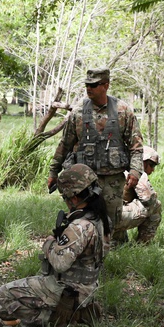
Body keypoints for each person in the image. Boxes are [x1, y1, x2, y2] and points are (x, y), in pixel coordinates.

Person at [0, 164, 107, 327]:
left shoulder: (79, 227)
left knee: (3, 293)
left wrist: (49, 244)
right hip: (87, 287)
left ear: (74, 198)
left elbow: (60, 263)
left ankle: (54, 320)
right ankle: (67, 313)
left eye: (65, 197)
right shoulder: (100, 219)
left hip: (68, 290)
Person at [47, 68, 143, 244]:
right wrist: (53, 172)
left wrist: (135, 171)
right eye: (87, 85)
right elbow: (64, 145)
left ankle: (116, 253)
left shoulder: (123, 111)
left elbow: (136, 146)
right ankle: (87, 254)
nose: (88, 88)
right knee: (83, 220)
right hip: (84, 181)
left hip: (113, 180)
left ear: (106, 85)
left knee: (113, 221)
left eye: (93, 85)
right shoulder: (77, 113)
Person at [115, 146, 162, 244]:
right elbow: (148, 199)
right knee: (156, 205)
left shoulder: (118, 167)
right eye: (151, 165)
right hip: (115, 217)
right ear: (143, 162)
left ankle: (115, 242)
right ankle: (144, 243)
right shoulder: (135, 171)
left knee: (120, 244)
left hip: (100, 217)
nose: (152, 170)